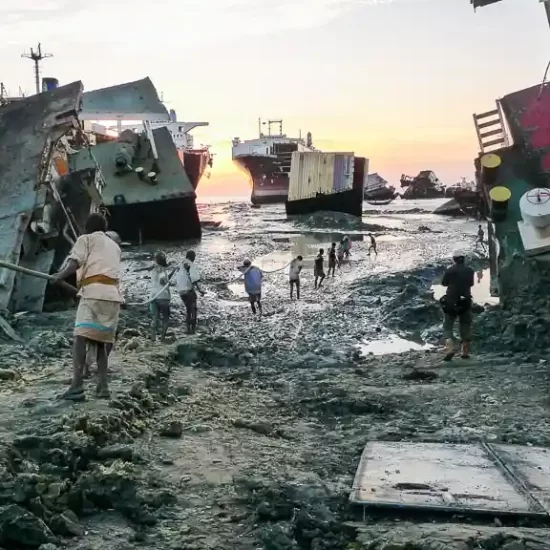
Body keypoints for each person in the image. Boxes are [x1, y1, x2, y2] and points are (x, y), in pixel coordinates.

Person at [51, 213, 123, 401]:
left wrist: (59, 275)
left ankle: (77, 385)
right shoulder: (115, 246)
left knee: (80, 338)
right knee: (100, 342)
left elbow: (75, 262)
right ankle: (102, 386)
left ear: (87, 228)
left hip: (93, 294)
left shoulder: (85, 239)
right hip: (112, 296)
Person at [440, 249, 475, 361]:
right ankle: (464, 351)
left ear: (454, 260)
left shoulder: (450, 270)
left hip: (451, 301)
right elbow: (471, 283)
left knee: (448, 325)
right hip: (465, 301)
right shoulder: (470, 270)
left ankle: (450, 348)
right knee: (465, 324)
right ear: (464, 259)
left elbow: (444, 283)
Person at [176, 250, 204, 334]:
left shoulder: (181, 264)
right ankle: (193, 330)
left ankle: (188, 329)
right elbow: (194, 279)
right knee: (194, 310)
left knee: (188, 310)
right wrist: (200, 290)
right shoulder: (190, 264)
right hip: (188, 291)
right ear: (193, 257)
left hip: (181, 292)